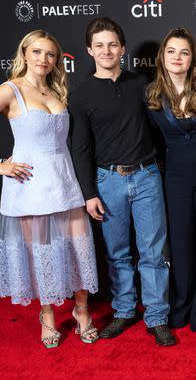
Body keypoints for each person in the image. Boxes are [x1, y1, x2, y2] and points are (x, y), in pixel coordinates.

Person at [0, 30, 99, 348]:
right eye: (37, 52)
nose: (43, 60)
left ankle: (81, 312)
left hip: (64, 182)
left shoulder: (58, 90)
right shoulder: (10, 90)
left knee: (80, 250)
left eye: (50, 54)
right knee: (41, 255)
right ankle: (47, 318)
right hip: (30, 187)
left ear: (56, 60)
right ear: (24, 53)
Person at [69, 17, 175, 346]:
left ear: (123, 48)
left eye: (112, 44)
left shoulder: (142, 85)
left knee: (153, 252)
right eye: (99, 45)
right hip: (107, 180)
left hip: (146, 176)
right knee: (117, 254)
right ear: (89, 50)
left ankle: (157, 316)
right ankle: (124, 310)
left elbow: (162, 130)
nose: (106, 50)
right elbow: (81, 149)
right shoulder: (82, 95)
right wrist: (89, 193)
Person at [145, 28, 196, 331]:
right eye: (171, 51)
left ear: (193, 59)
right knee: (178, 247)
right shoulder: (151, 94)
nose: (177, 58)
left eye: (184, 52)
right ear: (162, 57)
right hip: (174, 181)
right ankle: (179, 309)